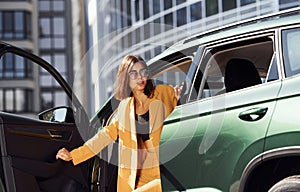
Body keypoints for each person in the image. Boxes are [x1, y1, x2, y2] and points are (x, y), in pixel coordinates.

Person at [56, 55, 181, 192]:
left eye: (143, 72)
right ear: (125, 78)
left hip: (165, 172)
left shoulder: (165, 92)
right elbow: (103, 136)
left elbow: (186, 114)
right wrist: (73, 155)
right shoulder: (125, 108)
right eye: (133, 73)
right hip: (138, 177)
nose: (140, 77)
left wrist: (180, 97)